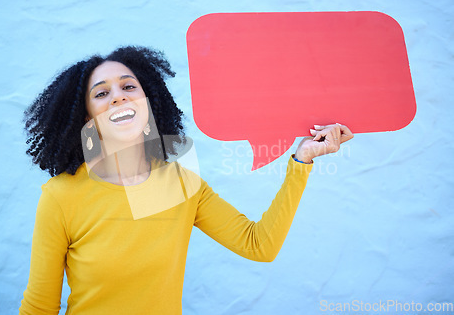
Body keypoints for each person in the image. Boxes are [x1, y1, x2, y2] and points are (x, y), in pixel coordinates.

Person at [19, 46, 353, 315]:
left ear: (149, 103)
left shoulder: (181, 185)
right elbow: (40, 307)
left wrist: (301, 161)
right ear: (86, 114)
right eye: (101, 93)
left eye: (128, 86)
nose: (118, 96)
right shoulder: (61, 196)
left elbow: (259, 245)